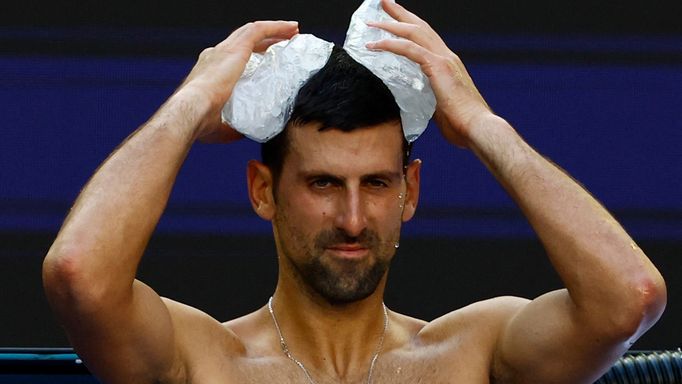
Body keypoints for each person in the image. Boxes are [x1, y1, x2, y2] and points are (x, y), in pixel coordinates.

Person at [42, 1, 667, 383]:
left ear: (410, 191)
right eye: (322, 184)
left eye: (376, 183)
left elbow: (628, 297)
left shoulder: (472, 356)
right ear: (264, 190)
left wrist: (483, 127)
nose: (351, 217)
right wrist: (189, 106)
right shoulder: (205, 362)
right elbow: (79, 276)